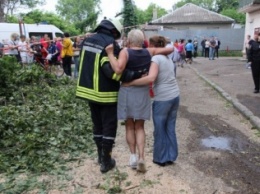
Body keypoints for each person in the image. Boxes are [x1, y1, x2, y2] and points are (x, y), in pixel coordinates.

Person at [76, 19, 142, 173]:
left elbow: (81, 65)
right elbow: (111, 71)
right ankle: (106, 161)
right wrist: (133, 75)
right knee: (109, 127)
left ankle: (100, 156)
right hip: (106, 94)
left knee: (97, 125)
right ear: (114, 31)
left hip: (88, 92)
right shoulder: (110, 43)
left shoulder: (87, 41)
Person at [105, 29, 174, 173]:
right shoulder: (149, 52)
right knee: (140, 127)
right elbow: (171, 49)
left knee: (129, 125)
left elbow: (118, 69)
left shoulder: (125, 52)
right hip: (142, 91)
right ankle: (142, 157)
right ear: (143, 41)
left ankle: (133, 157)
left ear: (129, 41)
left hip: (127, 90)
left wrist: (110, 54)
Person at [123, 35, 180, 166]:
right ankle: (171, 155)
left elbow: (151, 78)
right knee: (170, 127)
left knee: (159, 128)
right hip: (175, 96)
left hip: (163, 98)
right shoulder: (167, 58)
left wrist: (131, 83)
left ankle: (161, 158)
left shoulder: (155, 58)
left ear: (153, 46)